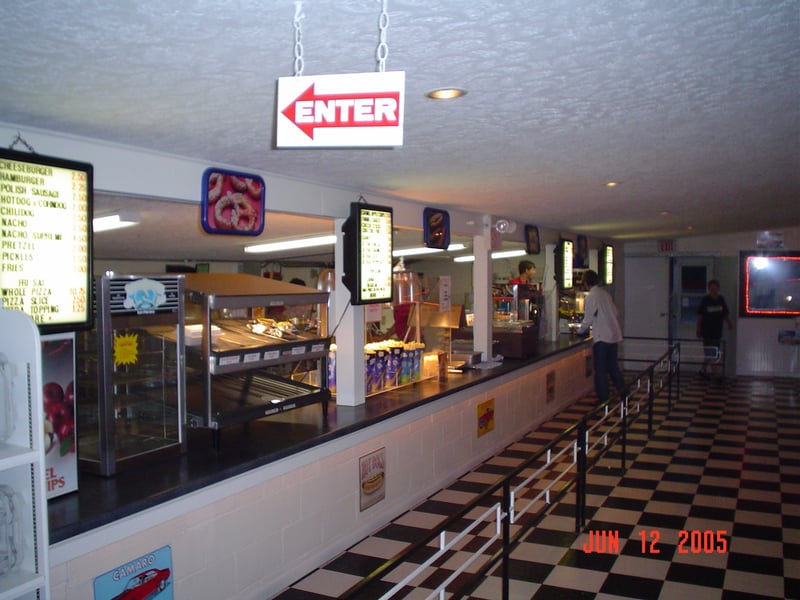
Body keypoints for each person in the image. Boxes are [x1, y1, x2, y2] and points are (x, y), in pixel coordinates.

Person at [577, 269, 625, 404]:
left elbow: (588, 318)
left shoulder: (591, 296)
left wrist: (580, 331)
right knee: (613, 367)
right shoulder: (605, 294)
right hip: (613, 335)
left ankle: (603, 399)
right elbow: (615, 312)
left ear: (586, 283)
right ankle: (623, 393)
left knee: (600, 371)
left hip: (602, 338)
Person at [696, 279, 733, 380]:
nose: (713, 290)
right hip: (706, 330)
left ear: (718, 288)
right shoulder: (705, 300)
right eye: (711, 288)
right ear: (709, 289)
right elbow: (700, 316)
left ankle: (702, 370)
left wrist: (729, 323)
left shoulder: (721, 300)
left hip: (717, 331)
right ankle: (716, 374)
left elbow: (725, 314)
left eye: (715, 288)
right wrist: (698, 330)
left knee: (713, 352)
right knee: (711, 352)